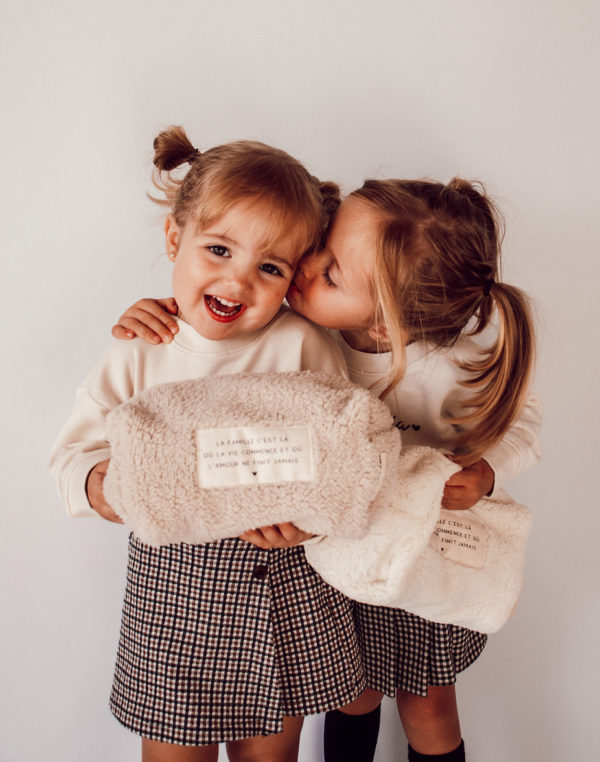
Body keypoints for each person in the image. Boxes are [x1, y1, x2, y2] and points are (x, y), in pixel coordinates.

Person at [112, 175, 541, 762]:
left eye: (330, 271)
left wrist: (486, 470)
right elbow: (219, 336)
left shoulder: (452, 367)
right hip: (339, 557)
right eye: (320, 246)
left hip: (424, 552)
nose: (303, 267)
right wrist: (167, 312)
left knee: (429, 704)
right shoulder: (300, 335)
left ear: (386, 322)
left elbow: (522, 422)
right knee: (353, 695)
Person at [49, 125, 369, 762]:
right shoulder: (141, 349)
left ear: (293, 279)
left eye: (269, 267)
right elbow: (71, 457)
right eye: (218, 250)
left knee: (270, 752)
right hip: (173, 593)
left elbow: (344, 456)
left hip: (281, 580)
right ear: (175, 236)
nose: (239, 281)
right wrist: (106, 485)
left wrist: (311, 522)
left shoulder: (302, 347)